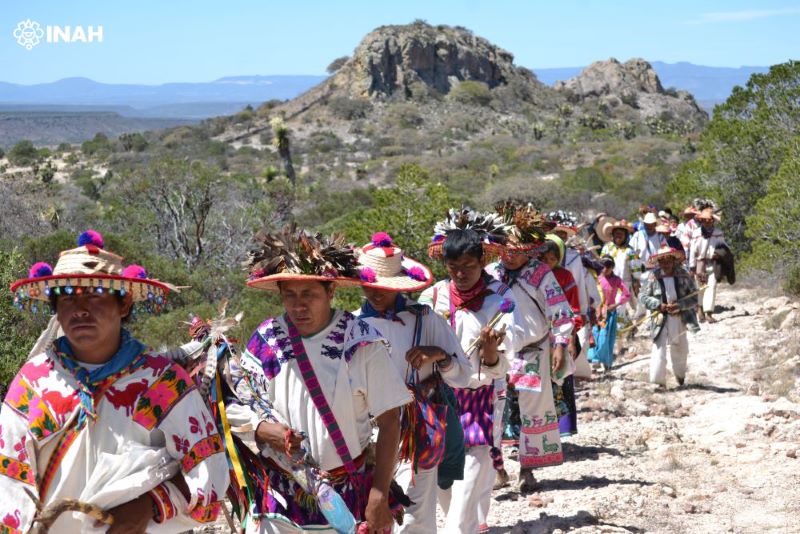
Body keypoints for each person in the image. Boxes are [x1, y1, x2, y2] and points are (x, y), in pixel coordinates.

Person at [2, 230, 230, 533]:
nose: (80, 309)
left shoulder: (160, 382)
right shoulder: (34, 383)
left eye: (95, 295)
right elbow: (8, 479)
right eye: (67, 298)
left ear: (123, 305)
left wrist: (150, 505)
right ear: (55, 309)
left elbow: (211, 469)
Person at [228, 226, 413, 533]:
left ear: (330, 291)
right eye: (290, 295)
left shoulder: (360, 342)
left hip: (346, 494)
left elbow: (391, 420)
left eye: (309, 294)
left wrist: (379, 494)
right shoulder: (266, 340)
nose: (299, 305)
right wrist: (262, 430)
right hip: (280, 496)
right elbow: (238, 401)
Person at [352, 232, 473, 534]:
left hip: (415, 429)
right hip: (365, 432)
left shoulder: (425, 320)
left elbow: (463, 375)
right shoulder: (351, 325)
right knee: (370, 510)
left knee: (414, 513)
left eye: (383, 286)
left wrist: (439, 356)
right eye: (370, 286)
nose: (376, 292)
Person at [418, 208, 519, 534]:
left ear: (482, 262)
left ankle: (457, 529)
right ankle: (471, 526)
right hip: (438, 395)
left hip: (482, 396)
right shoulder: (431, 297)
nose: (461, 274)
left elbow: (508, 353)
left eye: (469, 267)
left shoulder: (501, 299)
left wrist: (491, 356)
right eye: (453, 268)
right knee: (446, 475)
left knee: (475, 464)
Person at [486, 204, 574, 495]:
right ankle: (497, 468)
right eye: (506, 249)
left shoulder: (541, 275)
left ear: (528, 249)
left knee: (530, 412)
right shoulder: (488, 274)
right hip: (495, 354)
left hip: (532, 352)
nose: (510, 254)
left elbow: (560, 311)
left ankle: (527, 469)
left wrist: (560, 343)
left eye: (517, 249)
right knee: (494, 410)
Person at [639, 246, 700, 388]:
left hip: (679, 317)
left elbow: (694, 297)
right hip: (660, 318)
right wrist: (658, 305)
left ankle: (680, 377)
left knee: (680, 347)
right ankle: (658, 382)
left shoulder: (683, 275)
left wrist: (680, 305)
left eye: (668, 261)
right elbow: (642, 296)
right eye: (662, 262)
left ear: (673, 261)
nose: (665, 265)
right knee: (659, 348)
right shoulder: (653, 276)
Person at [548, 211, 600, 380]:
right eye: (558, 234)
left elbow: (578, 284)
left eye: (563, 234)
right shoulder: (540, 260)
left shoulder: (572, 258)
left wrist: (581, 311)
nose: (561, 237)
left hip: (569, 307)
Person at [540, 236, 583, 439]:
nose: (548, 262)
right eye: (544, 258)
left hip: (561, 335)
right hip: (538, 337)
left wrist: (571, 338)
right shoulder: (532, 277)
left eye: (552, 258)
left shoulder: (565, 276)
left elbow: (573, 308)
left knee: (561, 379)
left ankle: (562, 428)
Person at [587, 256, 631, 370]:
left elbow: (627, 294)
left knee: (607, 337)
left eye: (607, 267)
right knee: (596, 335)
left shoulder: (616, 280)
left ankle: (606, 362)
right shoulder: (596, 278)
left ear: (612, 268)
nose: (604, 269)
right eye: (603, 266)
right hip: (597, 312)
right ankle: (595, 359)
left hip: (609, 313)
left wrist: (616, 305)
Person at [689, 206, 727, 323]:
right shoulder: (696, 233)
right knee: (700, 288)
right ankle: (700, 309)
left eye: (709, 219)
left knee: (712, 287)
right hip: (700, 263)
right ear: (701, 220)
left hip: (713, 263)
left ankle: (709, 312)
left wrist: (719, 254)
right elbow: (692, 251)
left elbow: (724, 247)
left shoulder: (718, 233)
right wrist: (692, 266)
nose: (707, 222)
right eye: (704, 220)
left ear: (713, 220)